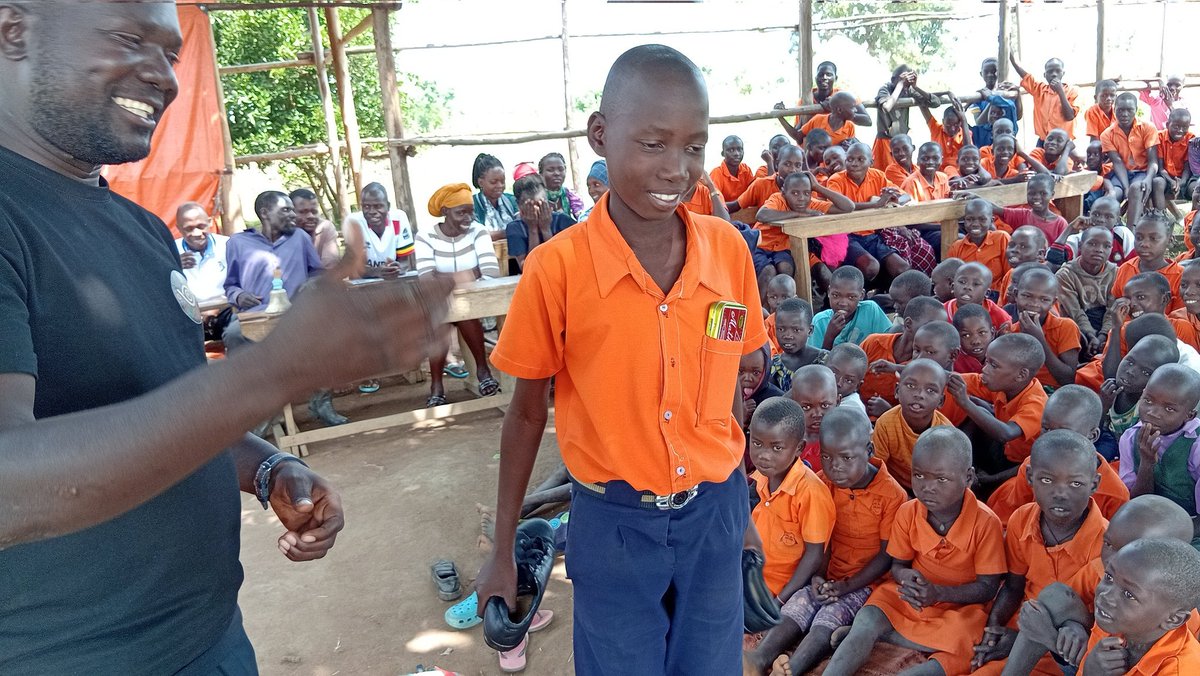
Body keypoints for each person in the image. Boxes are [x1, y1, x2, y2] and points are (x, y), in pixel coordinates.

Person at [0, 2, 454, 672]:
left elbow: (175, 403)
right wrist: (277, 368)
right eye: (130, 39)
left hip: (210, 638)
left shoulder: (140, 230)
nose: (164, 76)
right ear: (15, 30)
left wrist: (267, 467)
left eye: (171, 54)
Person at [475, 45, 767, 676]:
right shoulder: (556, 270)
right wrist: (503, 548)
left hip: (714, 515)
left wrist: (740, 510)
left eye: (694, 147)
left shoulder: (728, 253)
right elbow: (526, 417)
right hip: (612, 526)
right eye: (653, 144)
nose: (676, 169)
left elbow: (732, 391)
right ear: (601, 137)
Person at [822, 427, 1006, 676]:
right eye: (919, 475)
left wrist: (939, 592)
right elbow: (898, 565)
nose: (927, 487)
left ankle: (888, 636)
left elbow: (987, 587)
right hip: (911, 598)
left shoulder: (986, 523)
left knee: (970, 639)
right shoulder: (908, 512)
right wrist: (904, 577)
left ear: (968, 477)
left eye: (941, 479)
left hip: (958, 606)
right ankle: (858, 643)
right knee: (871, 613)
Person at [746, 407, 906, 676]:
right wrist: (820, 577)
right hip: (827, 577)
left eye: (846, 457)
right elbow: (821, 540)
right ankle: (760, 658)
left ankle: (792, 669)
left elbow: (885, 556)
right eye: (827, 457)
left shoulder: (893, 495)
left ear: (869, 450)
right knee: (799, 604)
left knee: (827, 618)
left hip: (866, 583)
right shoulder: (824, 484)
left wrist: (845, 586)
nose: (835, 466)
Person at [999, 496, 1195, 674]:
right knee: (1054, 597)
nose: (1111, 560)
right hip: (1096, 656)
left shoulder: (1180, 659)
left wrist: (1051, 638)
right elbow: (1061, 605)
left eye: (1128, 594)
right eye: (1109, 544)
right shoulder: (1115, 607)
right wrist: (1072, 628)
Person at [971, 429, 1109, 675]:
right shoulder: (1021, 520)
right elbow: (1014, 586)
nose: (1060, 493)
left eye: (1075, 483)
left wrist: (1032, 637)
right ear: (1029, 477)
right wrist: (993, 630)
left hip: (1069, 642)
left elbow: (1100, 621)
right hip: (1023, 621)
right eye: (1047, 480)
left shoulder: (1106, 544)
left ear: (1095, 484)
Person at [987, 385, 1129, 527]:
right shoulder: (1033, 466)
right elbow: (1012, 518)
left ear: (1092, 435)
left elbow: (1111, 541)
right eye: (1046, 428)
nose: (1052, 438)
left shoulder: (1115, 493)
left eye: (1064, 431)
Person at [416, 183, 501, 408]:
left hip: (472, 302)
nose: (469, 217)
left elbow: (491, 271)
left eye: (471, 211)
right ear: (445, 212)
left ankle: (442, 385)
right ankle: (478, 374)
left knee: (462, 309)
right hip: (438, 302)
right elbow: (425, 279)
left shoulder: (479, 231)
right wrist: (470, 273)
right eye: (461, 212)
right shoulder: (426, 236)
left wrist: (443, 278)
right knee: (442, 317)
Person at [746, 397, 836, 602]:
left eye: (776, 448)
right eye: (757, 443)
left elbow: (814, 556)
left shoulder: (810, 492)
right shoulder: (759, 478)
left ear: (798, 448)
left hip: (781, 589)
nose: (763, 455)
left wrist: (780, 601)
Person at [944, 333, 1048, 490]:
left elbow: (1006, 433)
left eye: (993, 365)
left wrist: (965, 403)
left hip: (1022, 464)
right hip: (1004, 449)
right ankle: (967, 465)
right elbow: (952, 378)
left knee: (974, 408)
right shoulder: (1002, 383)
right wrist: (899, 368)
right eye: (986, 361)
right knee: (976, 411)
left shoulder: (1036, 402)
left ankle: (986, 481)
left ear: (1021, 375)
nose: (984, 369)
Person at [1080, 538, 1200, 673]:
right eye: (1109, 577)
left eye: (1128, 594)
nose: (1105, 596)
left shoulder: (1180, 670)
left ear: (1174, 619)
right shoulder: (1112, 619)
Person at [1119, 364, 1200, 542]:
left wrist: (1169, 538)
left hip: (1193, 527)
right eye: (1148, 400)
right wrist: (1147, 464)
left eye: (1169, 409)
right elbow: (1137, 502)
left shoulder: (1196, 445)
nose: (1153, 413)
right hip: (1150, 521)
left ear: (1189, 415)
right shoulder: (1130, 438)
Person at [826, 142, 922, 281]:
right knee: (871, 266)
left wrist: (893, 199)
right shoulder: (836, 180)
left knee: (902, 268)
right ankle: (860, 296)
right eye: (850, 159)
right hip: (847, 235)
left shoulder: (878, 176)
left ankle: (886, 295)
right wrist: (876, 204)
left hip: (872, 234)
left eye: (860, 159)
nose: (854, 163)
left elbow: (906, 196)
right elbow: (840, 207)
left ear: (871, 162)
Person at [753, 170, 853, 292]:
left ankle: (822, 307)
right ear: (783, 192)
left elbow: (848, 206)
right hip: (761, 247)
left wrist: (817, 186)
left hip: (789, 249)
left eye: (807, 193)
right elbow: (762, 215)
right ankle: (761, 310)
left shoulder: (811, 204)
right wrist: (799, 214)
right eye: (795, 193)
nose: (801, 198)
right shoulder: (777, 199)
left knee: (792, 269)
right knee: (768, 272)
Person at [870, 359, 953, 494]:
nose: (919, 395)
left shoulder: (946, 433)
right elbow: (877, 468)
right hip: (893, 487)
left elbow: (944, 479)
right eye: (910, 386)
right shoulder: (886, 424)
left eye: (930, 390)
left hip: (930, 491)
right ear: (897, 391)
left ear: (941, 401)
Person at [861, 296, 947, 417]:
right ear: (908, 324)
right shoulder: (873, 342)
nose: (937, 333)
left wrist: (888, 411)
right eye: (931, 326)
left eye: (941, 328)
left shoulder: (927, 364)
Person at [1100, 336, 1182, 461]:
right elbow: (1097, 429)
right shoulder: (1111, 391)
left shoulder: (1151, 410)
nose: (1131, 372)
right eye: (1130, 362)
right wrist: (1103, 405)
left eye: (1146, 373)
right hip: (1111, 446)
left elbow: (1141, 453)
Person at [1010, 267, 1081, 389]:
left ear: (1053, 302)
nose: (1034, 304)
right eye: (1027, 296)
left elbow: (1067, 378)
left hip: (1052, 392)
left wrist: (1039, 340)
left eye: (1044, 299)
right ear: (1016, 295)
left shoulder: (1065, 327)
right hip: (1018, 390)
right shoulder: (1010, 332)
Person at [1056, 226, 1118, 356]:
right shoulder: (1065, 274)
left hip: (1107, 326)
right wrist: (1090, 335)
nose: (1099, 250)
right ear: (1080, 245)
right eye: (1092, 243)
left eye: (1106, 246)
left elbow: (1113, 309)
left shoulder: (1116, 273)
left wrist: (1103, 335)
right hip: (1078, 324)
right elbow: (1074, 311)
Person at [1103, 92, 1161, 226]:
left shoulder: (1148, 128)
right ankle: (1109, 231)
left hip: (1143, 172)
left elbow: (1153, 161)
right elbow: (1117, 162)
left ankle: (1131, 232)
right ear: (1114, 108)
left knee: (1137, 188)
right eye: (1120, 110)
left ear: (1136, 110)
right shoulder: (1107, 134)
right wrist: (1125, 187)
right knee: (1113, 195)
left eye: (1129, 110)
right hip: (1121, 173)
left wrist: (1148, 178)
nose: (1124, 114)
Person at [963, 174, 1067, 244]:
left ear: (1052, 195)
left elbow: (1063, 249)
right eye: (1031, 193)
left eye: (1043, 193)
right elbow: (995, 208)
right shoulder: (1022, 215)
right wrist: (975, 197)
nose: (1036, 197)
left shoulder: (1060, 223)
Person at [341, 182, 416, 279]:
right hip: (362, 287)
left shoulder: (399, 218)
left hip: (393, 283)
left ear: (388, 206)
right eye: (366, 207)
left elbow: (405, 262)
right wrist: (376, 271)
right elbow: (353, 266)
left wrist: (395, 269)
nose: (372, 212)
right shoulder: (353, 222)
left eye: (378, 206)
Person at [1112, 213, 1183, 314]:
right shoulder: (1126, 268)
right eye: (1139, 238)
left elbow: (1181, 319)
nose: (1144, 244)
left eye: (1153, 238)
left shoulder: (1179, 277)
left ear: (1169, 240)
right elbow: (1117, 303)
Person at [809, 266, 893, 350]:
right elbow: (816, 361)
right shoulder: (820, 321)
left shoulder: (870, 310)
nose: (843, 303)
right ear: (828, 292)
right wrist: (829, 337)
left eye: (851, 297)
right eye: (836, 295)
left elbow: (889, 342)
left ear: (861, 295)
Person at [506, 173, 575, 272]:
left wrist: (545, 229)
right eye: (531, 206)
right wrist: (532, 229)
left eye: (541, 204)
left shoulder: (562, 221)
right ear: (519, 205)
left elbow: (562, 262)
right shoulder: (515, 228)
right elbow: (528, 268)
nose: (537, 210)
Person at [1009, 49, 1081, 142]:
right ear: (1044, 75)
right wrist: (1010, 54)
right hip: (1044, 141)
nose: (1054, 74)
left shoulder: (1072, 91)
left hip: (1063, 142)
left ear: (1063, 73)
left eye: (1058, 71)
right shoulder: (1039, 89)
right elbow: (1024, 74)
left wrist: (1061, 92)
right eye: (1050, 71)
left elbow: (1070, 116)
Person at [874, 66, 933, 170]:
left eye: (907, 81)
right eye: (903, 80)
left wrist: (915, 87)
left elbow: (935, 103)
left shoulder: (909, 90)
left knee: (903, 170)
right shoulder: (885, 89)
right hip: (885, 141)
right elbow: (887, 106)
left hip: (902, 141)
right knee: (885, 173)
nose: (906, 83)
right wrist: (900, 84)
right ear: (893, 80)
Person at [947, 198, 1011, 292]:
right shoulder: (957, 247)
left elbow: (1009, 275)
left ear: (991, 220)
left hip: (997, 295)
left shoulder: (1001, 238)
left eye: (982, 219)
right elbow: (954, 280)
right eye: (970, 219)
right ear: (964, 221)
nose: (975, 224)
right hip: (969, 296)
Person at [175, 201, 229, 307]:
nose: (197, 233)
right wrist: (173, 266)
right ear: (179, 229)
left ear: (209, 222)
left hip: (228, 309)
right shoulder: (171, 251)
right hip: (189, 314)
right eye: (189, 229)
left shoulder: (228, 246)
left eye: (201, 226)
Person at [786, 364, 839, 472]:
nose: (817, 414)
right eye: (806, 407)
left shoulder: (845, 439)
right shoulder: (787, 439)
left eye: (824, 405)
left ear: (838, 402)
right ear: (794, 405)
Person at [1056, 196, 1133, 267]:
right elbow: (1054, 258)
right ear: (1089, 214)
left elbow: (1135, 263)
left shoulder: (1122, 234)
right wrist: (1070, 228)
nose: (1101, 220)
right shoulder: (1079, 239)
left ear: (1117, 220)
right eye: (1096, 214)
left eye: (1108, 217)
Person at [730, 143, 805, 214]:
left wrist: (816, 187)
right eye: (787, 164)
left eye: (798, 165)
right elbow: (736, 205)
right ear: (777, 164)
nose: (793, 170)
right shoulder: (761, 185)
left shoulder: (806, 186)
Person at [770, 298, 827, 392]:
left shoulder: (825, 360)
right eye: (781, 329)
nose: (788, 336)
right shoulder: (775, 365)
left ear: (810, 330)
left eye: (796, 330)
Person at [944, 261, 1012, 332]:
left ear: (987, 293)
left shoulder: (999, 317)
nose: (967, 287)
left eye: (976, 284)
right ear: (952, 286)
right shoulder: (943, 312)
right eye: (962, 282)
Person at [1155, 108, 1196, 216]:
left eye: (1184, 127)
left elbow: (1188, 167)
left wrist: (1181, 182)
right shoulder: (1159, 137)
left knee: (1197, 188)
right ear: (1168, 124)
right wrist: (1171, 181)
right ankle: (1160, 219)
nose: (1180, 130)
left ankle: (1192, 221)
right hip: (1165, 177)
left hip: (1185, 178)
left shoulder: (1191, 138)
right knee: (1157, 183)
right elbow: (1160, 168)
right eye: (1176, 126)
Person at [289, 188, 341, 268]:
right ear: (291, 213)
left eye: (314, 211)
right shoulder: (281, 232)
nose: (310, 216)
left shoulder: (325, 228)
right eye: (303, 212)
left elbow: (330, 266)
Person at [997, 226, 1049, 305]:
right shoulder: (1011, 273)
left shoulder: (1044, 280)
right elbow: (1001, 309)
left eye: (1023, 247)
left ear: (1040, 254)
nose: (1015, 250)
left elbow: (1049, 313)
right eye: (1011, 245)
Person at [471, 153, 519, 237]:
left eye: (502, 181)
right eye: (493, 182)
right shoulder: (472, 204)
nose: (500, 186)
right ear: (480, 182)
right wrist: (509, 232)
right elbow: (476, 235)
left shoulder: (511, 200)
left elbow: (521, 226)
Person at [740, 343, 785, 432]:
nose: (747, 378)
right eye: (740, 372)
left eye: (756, 373)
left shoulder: (776, 400)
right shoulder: (724, 396)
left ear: (765, 370)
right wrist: (740, 415)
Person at [918, 95, 967, 172]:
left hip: (958, 173)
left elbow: (968, 148)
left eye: (956, 124)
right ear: (943, 121)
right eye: (948, 125)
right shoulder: (936, 129)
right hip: (937, 172)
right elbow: (921, 102)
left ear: (960, 123)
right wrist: (946, 92)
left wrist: (964, 119)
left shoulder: (965, 133)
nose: (952, 128)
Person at [795, 91, 861, 147]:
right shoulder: (818, 120)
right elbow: (798, 137)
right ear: (839, 110)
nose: (856, 110)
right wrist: (784, 120)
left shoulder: (850, 126)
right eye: (853, 107)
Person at [537, 152, 583, 220]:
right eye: (550, 170)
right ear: (541, 174)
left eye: (561, 169)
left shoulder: (570, 195)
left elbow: (581, 217)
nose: (557, 173)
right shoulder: (535, 197)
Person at [953, 302, 996, 374]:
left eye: (982, 333)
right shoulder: (953, 361)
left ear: (992, 333)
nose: (976, 341)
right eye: (966, 335)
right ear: (957, 337)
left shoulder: (1002, 357)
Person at [827, 343, 868, 414]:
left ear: (858, 386)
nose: (838, 383)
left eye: (848, 380)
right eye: (834, 374)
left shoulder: (851, 408)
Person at [710, 135, 754, 201]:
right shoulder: (716, 173)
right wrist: (741, 203)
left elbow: (753, 196)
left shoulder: (746, 169)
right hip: (725, 210)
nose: (736, 153)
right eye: (731, 150)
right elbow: (716, 204)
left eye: (739, 149)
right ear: (723, 154)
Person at [763, 273, 797, 355]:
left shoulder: (800, 320)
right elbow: (769, 350)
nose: (779, 302)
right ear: (768, 299)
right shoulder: (769, 323)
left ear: (794, 299)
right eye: (774, 297)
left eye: (785, 297)